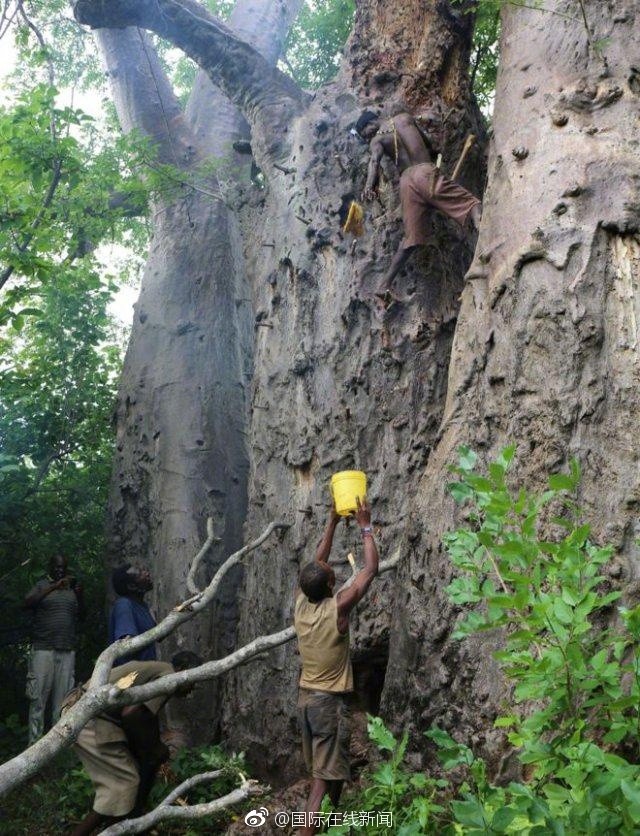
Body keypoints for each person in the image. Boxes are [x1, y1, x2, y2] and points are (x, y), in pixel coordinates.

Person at [294, 498, 379, 836]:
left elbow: (317, 562)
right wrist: (365, 526)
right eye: (333, 575)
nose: (332, 570)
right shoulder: (337, 609)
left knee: (331, 773)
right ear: (331, 587)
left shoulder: (302, 603)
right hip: (327, 704)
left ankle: (329, 828)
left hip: (306, 701)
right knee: (320, 781)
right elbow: (369, 570)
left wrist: (331, 522)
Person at [63, 651, 202, 836]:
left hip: (85, 711)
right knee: (122, 785)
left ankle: (124, 826)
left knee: (125, 781)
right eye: (195, 680)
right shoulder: (169, 677)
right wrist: (155, 748)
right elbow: (132, 715)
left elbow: (142, 717)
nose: (193, 688)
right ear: (185, 670)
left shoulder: (158, 670)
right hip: (86, 717)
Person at [358, 109, 482, 304]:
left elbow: (374, 160)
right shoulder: (406, 118)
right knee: (461, 200)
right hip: (424, 171)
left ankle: (384, 285)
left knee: (411, 238)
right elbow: (431, 146)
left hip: (407, 181)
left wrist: (368, 186)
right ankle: (477, 218)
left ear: (370, 124)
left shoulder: (377, 139)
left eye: (365, 133)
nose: (367, 138)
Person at [24, 554, 85, 744]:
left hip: (66, 650)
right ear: (50, 567)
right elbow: (27, 603)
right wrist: (53, 587)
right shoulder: (42, 585)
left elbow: (82, 616)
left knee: (63, 702)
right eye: (57, 567)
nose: (60, 570)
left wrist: (79, 595)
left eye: (63, 567)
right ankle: (34, 745)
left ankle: (58, 748)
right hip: (43, 649)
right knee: (38, 700)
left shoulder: (72, 590)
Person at [109, 564, 157, 662]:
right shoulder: (124, 605)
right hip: (131, 672)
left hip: (144, 668)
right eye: (140, 574)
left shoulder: (143, 606)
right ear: (132, 586)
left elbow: (160, 634)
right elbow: (127, 644)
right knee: (167, 668)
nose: (147, 573)